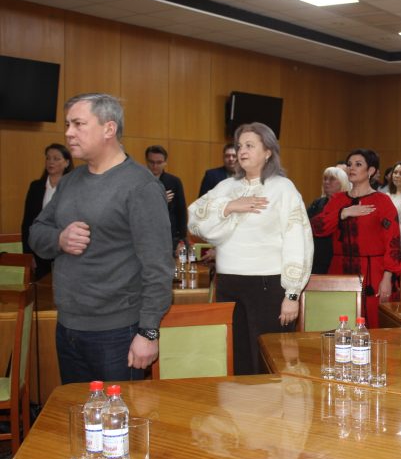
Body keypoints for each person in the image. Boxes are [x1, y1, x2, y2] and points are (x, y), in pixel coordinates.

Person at [29, 93, 173, 383]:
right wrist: (60, 239)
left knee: (119, 414)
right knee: (79, 410)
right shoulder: (70, 181)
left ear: (109, 128)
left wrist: (148, 333)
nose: (69, 133)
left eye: (78, 124)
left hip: (118, 333)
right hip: (68, 326)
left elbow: (158, 267)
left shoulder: (141, 186)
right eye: (67, 124)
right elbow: (36, 232)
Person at [188, 122, 313, 375]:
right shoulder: (226, 187)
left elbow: (298, 241)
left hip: (267, 285)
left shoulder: (283, 188)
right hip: (229, 283)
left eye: (249, 145)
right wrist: (229, 206)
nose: (241, 151)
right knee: (236, 356)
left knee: (268, 359)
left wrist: (292, 294)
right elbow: (193, 218)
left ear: (268, 152)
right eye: (239, 146)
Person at [311, 149, 401, 328]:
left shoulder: (382, 202)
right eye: (349, 164)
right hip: (339, 271)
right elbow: (317, 228)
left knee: (373, 324)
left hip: (373, 273)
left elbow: (393, 242)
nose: (352, 168)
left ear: (371, 171)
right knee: (339, 322)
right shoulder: (338, 200)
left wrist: (387, 277)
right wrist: (343, 213)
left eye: (358, 164)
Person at [21, 143, 73, 280]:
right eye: (48, 158)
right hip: (39, 250)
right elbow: (27, 222)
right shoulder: (36, 187)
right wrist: (28, 254)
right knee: (41, 289)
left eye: (56, 158)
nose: (51, 162)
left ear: (67, 163)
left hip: (65, 252)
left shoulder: (74, 187)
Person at [307, 166, 350, 274]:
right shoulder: (317, 203)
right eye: (325, 178)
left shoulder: (348, 204)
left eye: (332, 179)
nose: (326, 182)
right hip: (316, 256)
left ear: (342, 182)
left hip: (338, 256)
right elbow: (306, 224)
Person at [145, 145, 188, 252]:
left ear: (165, 163)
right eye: (151, 162)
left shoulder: (174, 181)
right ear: (146, 161)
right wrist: (159, 200)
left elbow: (181, 211)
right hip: (146, 234)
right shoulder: (138, 181)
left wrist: (182, 238)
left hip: (170, 235)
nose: (155, 166)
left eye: (159, 162)